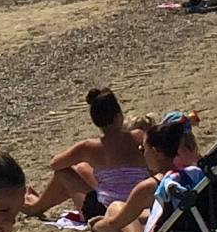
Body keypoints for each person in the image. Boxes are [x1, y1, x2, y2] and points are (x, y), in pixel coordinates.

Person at [78, 113, 198, 232]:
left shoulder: (150, 187)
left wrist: (95, 224)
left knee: (116, 208)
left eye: (143, 149)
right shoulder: (191, 176)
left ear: (156, 152)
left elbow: (113, 224)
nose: (141, 154)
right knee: (122, 215)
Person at [23, 87, 152, 221]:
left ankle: (36, 206)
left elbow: (55, 164)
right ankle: (38, 205)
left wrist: (84, 155)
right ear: (119, 115)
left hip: (104, 211)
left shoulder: (89, 147)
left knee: (63, 174)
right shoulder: (140, 137)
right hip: (138, 206)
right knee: (84, 168)